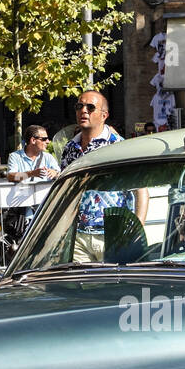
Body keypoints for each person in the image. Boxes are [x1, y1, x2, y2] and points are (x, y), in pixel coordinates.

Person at [60, 90, 148, 260]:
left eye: (90, 107)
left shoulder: (119, 146)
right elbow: (66, 191)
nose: (83, 111)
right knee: (83, 286)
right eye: (79, 106)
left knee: (112, 286)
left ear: (104, 115)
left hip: (114, 236)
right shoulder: (69, 148)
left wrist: (137, 230)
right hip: (78, 237)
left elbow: (141, 190)